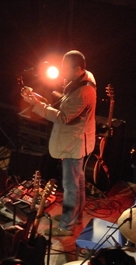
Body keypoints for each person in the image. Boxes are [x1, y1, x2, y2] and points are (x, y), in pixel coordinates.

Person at [22, 50, 96, 237]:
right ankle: (77, 216)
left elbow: (63, 117)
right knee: (78, 181)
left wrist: (36, 105)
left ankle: (67, 226)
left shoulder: (83, 91)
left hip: (73, 144)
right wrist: (37, 98)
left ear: (78, 69)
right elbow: (65, 102)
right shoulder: (86, 77)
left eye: (66, 68)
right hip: (78, 141)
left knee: (71, 186)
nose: (62, 72)